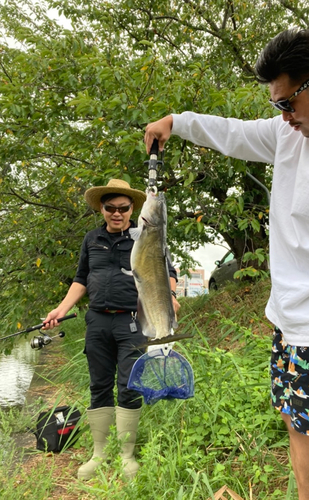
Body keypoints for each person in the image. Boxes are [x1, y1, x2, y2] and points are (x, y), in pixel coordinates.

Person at [144, 28, 309, 500]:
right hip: (288, 320)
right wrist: (175, 122)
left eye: (288, 103)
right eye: (276, 106)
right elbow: (232, 133)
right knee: (297, 423)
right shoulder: (292, 135)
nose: (283, 117)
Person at [43, 179, 179, 481]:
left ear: (134, 209)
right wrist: (61, 310)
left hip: (132, 321)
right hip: (97, 321)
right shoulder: (92, 239)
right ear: (102, 209)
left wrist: (170, 298)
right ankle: (99, 453)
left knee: (129, 384)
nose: (116, 213)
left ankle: (127, 455)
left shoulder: (146, 237)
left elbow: (167, 272)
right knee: (99, 385)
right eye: (110, 208)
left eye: (123, 208)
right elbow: (80, 279)